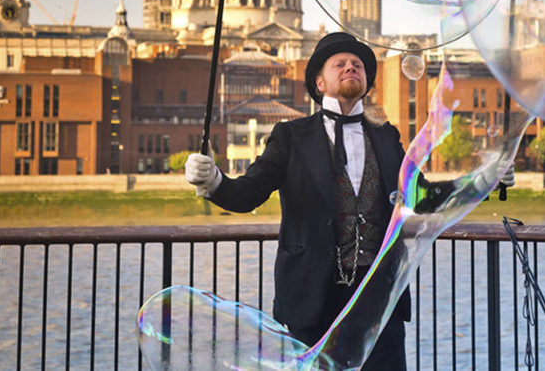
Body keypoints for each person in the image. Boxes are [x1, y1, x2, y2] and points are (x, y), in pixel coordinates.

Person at [186, 31, 514, 369]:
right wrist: (213, 181)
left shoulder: (387, 138)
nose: (350, 67)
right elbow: (248, 193)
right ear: (320, 82)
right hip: (313, 297)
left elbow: (424, 197)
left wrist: (486, 179)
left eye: (357, 64)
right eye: (339, 63)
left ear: (367, 82)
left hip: (379, 298)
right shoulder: (291, 137)